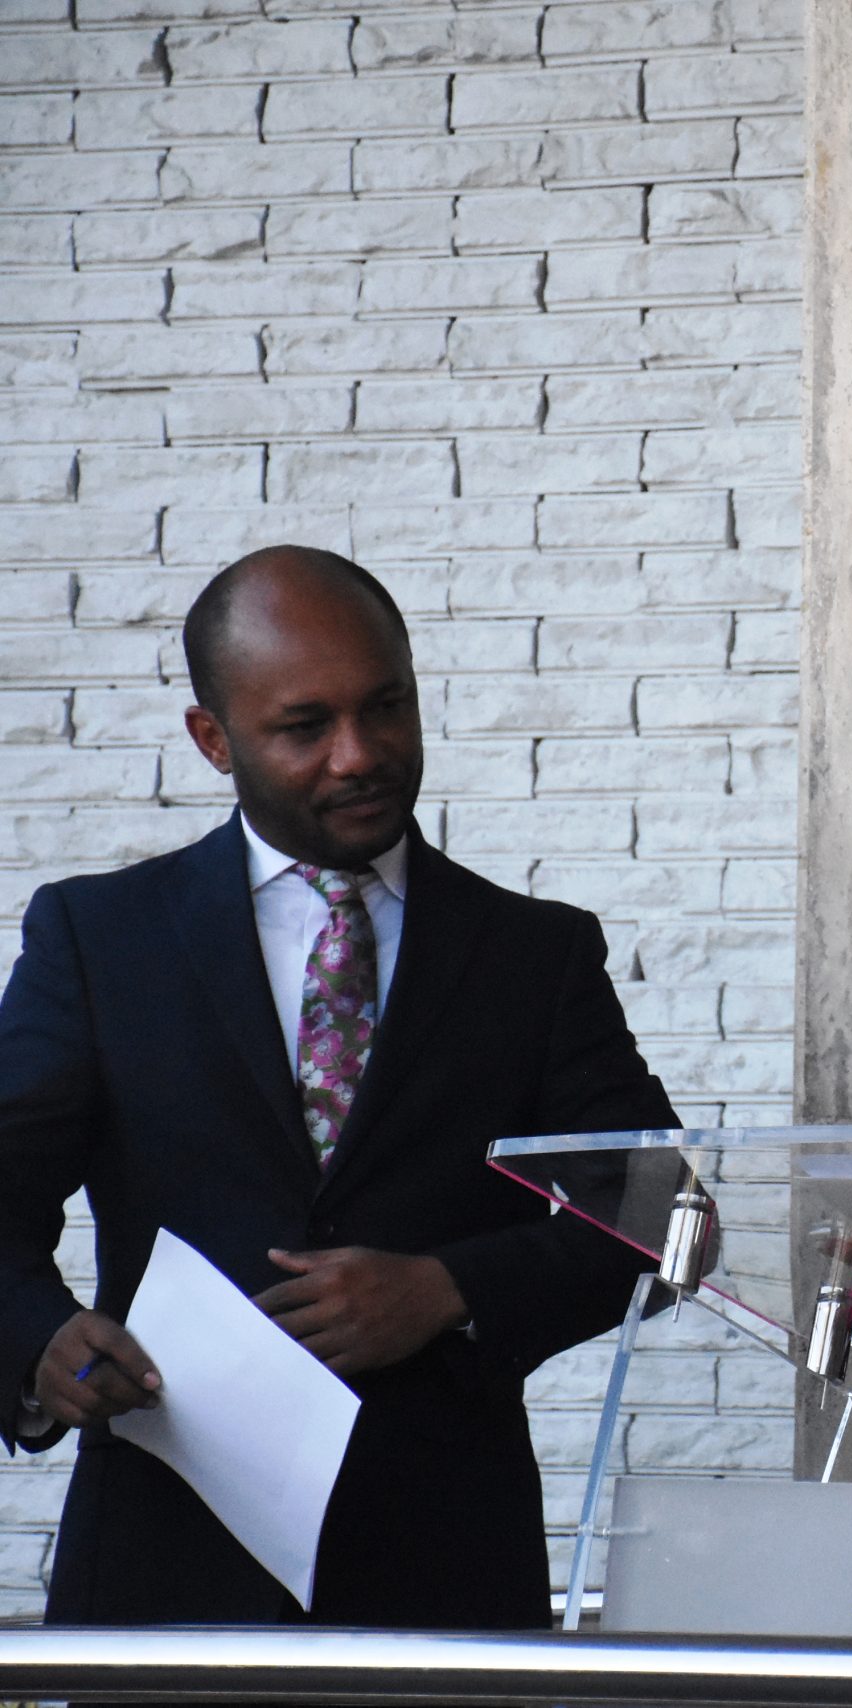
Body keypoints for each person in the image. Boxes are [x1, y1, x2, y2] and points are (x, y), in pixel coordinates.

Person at [0, 546, 673, 1629]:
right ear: (212, 739)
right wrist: (40, 1337)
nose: (360, 755)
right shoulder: (98, 939)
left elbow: (655, 1211)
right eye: (304, 727)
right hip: (167, 1585)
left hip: (446, 1583)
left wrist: (447, 1290)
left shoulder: (533, 956)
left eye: (387, 707)